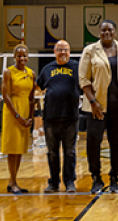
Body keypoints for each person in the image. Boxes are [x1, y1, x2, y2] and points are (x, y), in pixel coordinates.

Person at [79, 19, 118, 194]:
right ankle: (96, 178)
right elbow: (84, 79)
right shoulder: (90, 50)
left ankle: (114, 178)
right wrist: (93, 102)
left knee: (116, 143)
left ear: (115, 32)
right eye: (103, 31)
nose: (106, 33)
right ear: (99, 32)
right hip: (96, 107)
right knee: (94, 142)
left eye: (110, 30)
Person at [37, 40, 81, 193]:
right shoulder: (47, 69)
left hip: (70, 116)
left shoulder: (77, 67)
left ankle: (70, 182)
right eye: (60, 49)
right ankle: (54, 182)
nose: (63, 52)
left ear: (70, 51)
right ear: (55, 51)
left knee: (70, 151)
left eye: (66, 50)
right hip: (51, 117)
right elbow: (39, 87)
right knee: (52, 152)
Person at [1, 44, 37, 194]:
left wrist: (30, 117)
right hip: (12, 111)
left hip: (25, 110)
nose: (22, 58)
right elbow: (6, 96)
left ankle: (13, 181)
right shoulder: (8, 72)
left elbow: (31, 97)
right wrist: (17, 116)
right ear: (14, 57)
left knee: (20, 149)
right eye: (19, 56)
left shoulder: (31, 73)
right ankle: (13, 181)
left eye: (24, 55)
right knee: (12, 149)